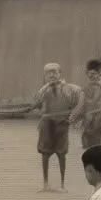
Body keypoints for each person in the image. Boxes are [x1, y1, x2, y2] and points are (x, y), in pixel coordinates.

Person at [32, 63, 82, 192]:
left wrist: (73, 116)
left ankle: (62, 184)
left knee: (61, 153)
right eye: (48, 73)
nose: (52, 75)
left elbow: (79, 103)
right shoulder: (43, 90)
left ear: (60, 73)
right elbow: (36, 104)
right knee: (44, 153)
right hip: (46, 124)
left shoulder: (70, 89)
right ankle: (45, 184)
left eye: (54, 72)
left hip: (62, 123)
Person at [69, 59, 101, 149]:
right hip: (88, 120)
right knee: (87, 144)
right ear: (87, 73)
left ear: (99, 74)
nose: (92, 76)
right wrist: (74, 116)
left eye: (94, 73)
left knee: (100, 143)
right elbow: (81, 103)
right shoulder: (85, 89)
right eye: (89, 73)